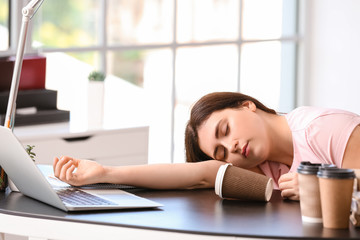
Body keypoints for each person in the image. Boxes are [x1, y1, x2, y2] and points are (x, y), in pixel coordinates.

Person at [53, 92, 360, 201]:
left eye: (225, 130)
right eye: (221, 151)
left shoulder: (320, 129)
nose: (232, 147)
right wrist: (104, 171)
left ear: (247, 105)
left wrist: (322, 184)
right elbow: (197, 175)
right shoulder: (259, 167)